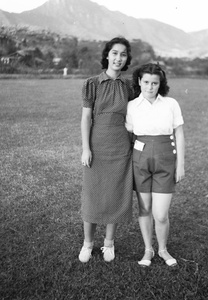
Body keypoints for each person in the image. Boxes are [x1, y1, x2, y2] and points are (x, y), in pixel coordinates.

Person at [79, 37, 134, 263]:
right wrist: (86, 148)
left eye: (123, 54)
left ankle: (108, 244)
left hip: (121, 146)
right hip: (97, 146)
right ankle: (87, 244)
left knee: (116, 193)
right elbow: (85, 118)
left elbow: (134, 116)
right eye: (114, 53)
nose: (118, 58)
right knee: (92, 194)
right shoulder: (92, 83)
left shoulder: (129, 86)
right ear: (107, 55)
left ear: (126, 59)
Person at [125, 63, 185, 267]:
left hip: (165, 159)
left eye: (155, 83)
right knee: (145, 208)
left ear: (161, 84)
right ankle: (148, 250)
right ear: (139, 82)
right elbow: (129, 135)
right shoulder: (132, 106)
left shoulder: (170, 104)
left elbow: (179, 133)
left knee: (160, 214)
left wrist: (180, 165)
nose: (150, 87)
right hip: (140, 159)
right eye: (146, 82)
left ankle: (163, 249)